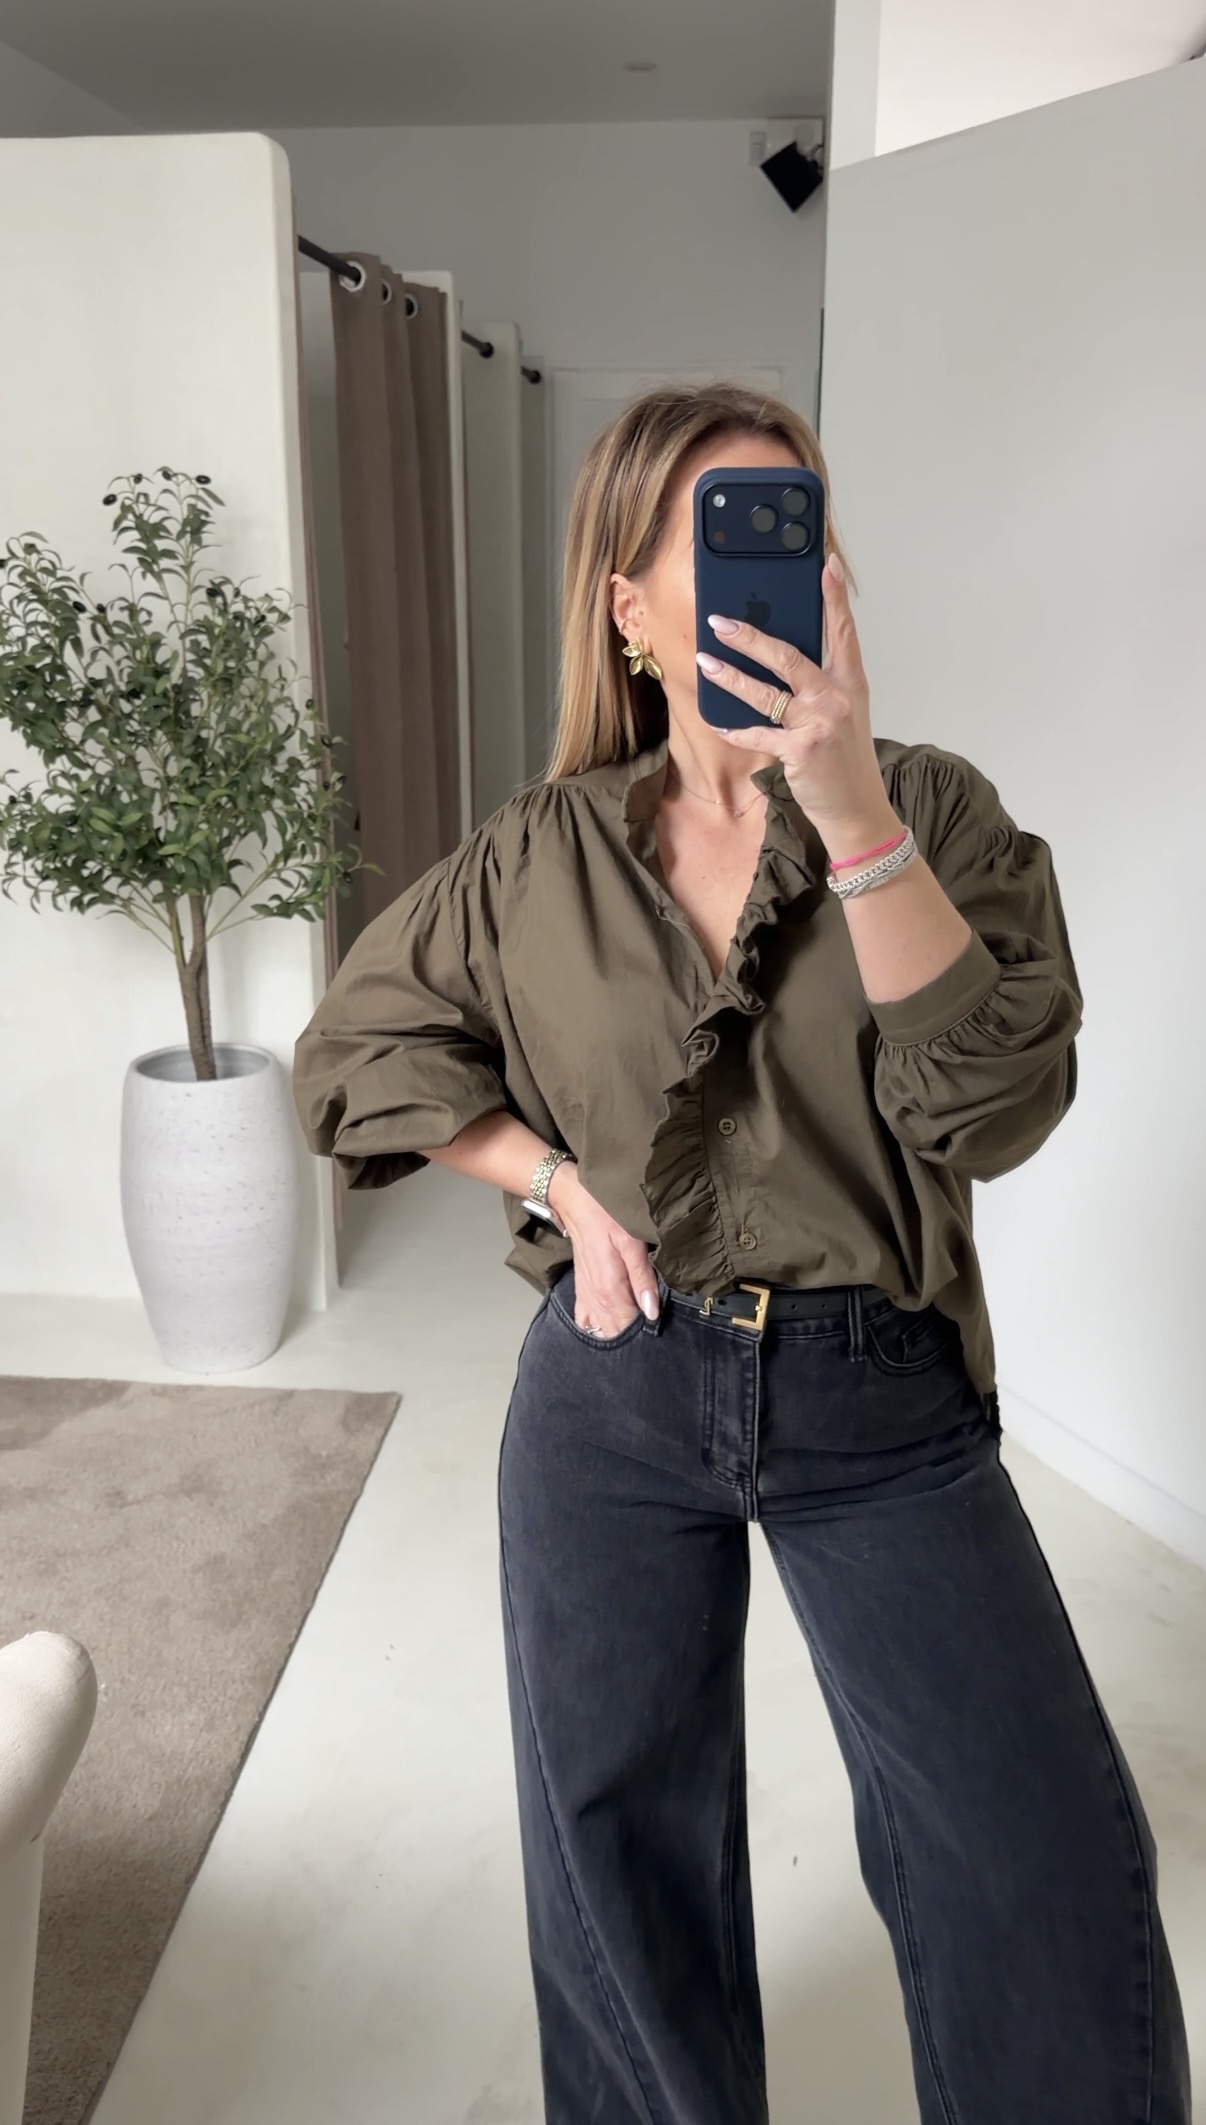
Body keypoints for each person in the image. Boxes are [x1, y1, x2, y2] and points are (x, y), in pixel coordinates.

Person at [291, 381, 1191, 2125]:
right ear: (625, 605)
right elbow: (351, 1055)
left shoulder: (934, 811)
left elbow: (991, 1104)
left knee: (1041, 1866)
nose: (774, 573)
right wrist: (556, 1180)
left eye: (797, 530)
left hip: (881, 1401)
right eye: (717, 540)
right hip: (612, 1396)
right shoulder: (540, 852)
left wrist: (849, 812)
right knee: (614, 1862)